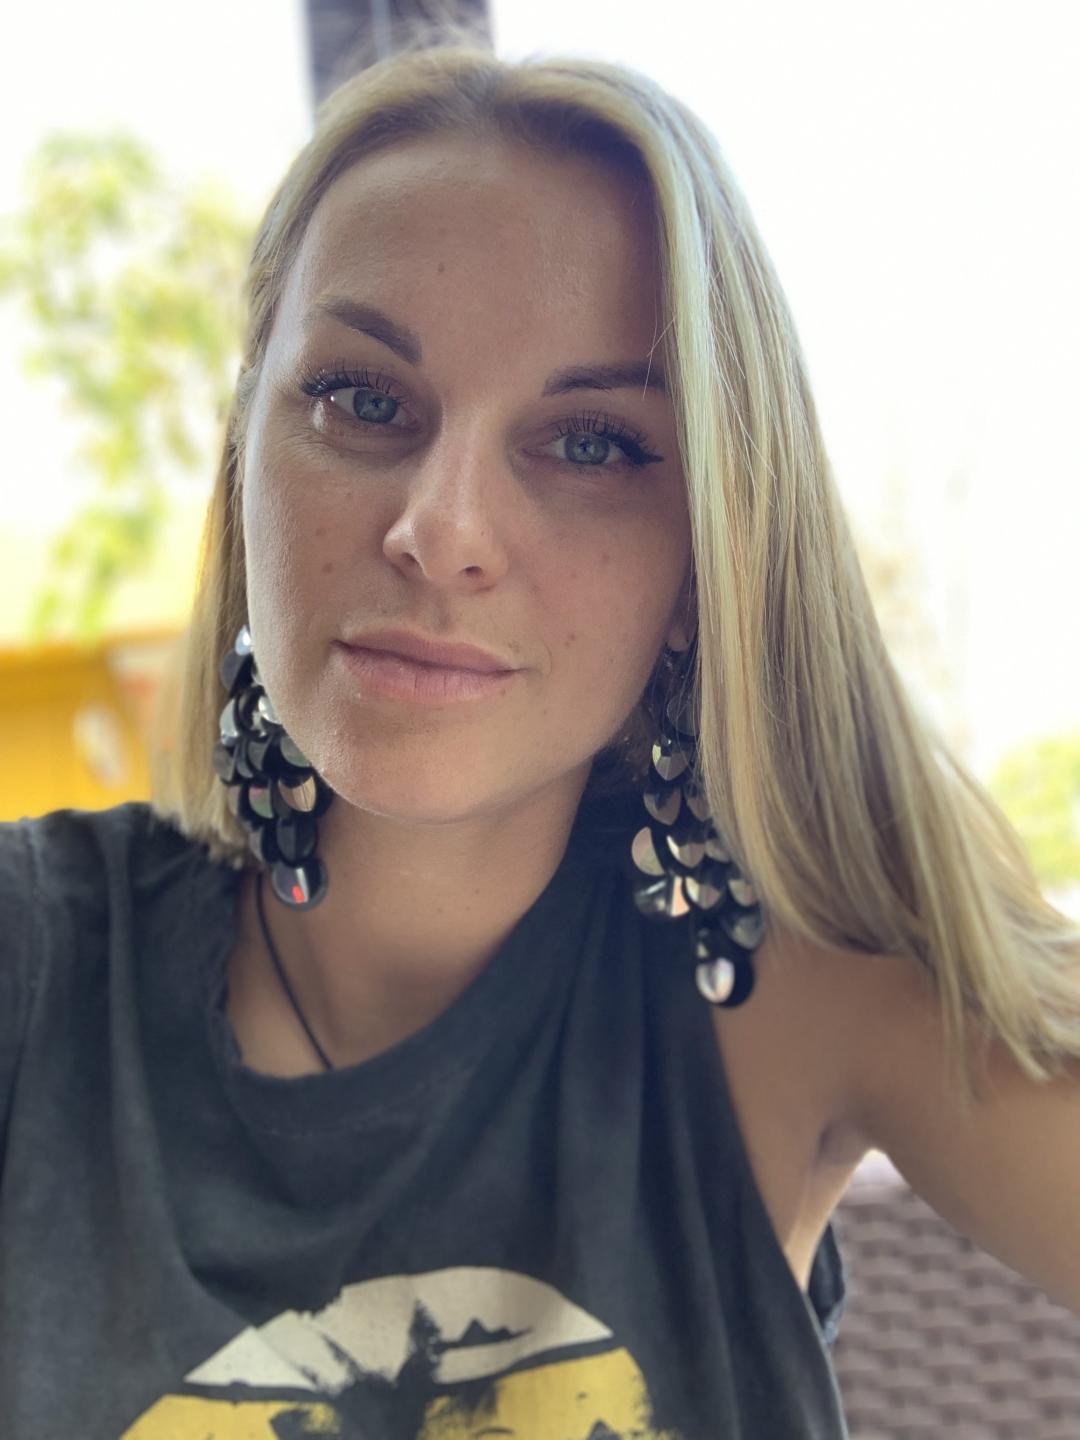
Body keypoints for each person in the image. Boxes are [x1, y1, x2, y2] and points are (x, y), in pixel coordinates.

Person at [2, 22, 1078, 1440]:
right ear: (246, 453)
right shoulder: (36, 960)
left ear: (705, 563)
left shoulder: (794, 997)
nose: (440, 528)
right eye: (363, 399)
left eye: (590, 443)